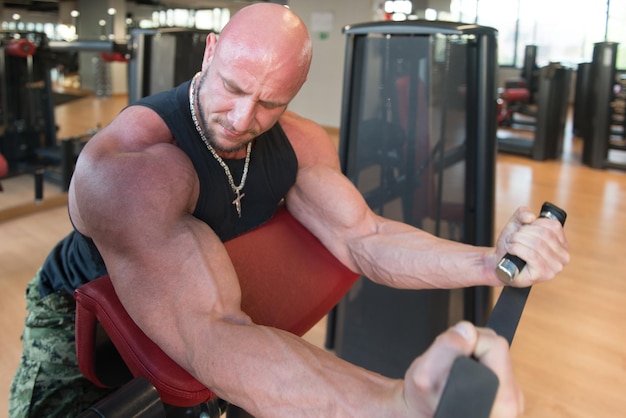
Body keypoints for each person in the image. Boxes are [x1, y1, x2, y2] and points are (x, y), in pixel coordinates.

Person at [9, 3, 569, 418]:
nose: (241, 117)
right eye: (231, 87)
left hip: (197, 302)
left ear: (295, 95)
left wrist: (491, 261)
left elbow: (364, 237)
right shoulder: (136, 167)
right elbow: (210, 333)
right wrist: (395, 403)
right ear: (210, 52)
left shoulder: (298, 143)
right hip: (79, 320)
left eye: (270, 103)